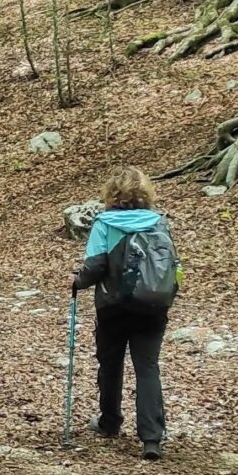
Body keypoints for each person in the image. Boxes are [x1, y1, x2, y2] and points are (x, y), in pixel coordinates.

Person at [72, 166, 176, 459]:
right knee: (147, 366)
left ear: (111, 193)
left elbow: (96, 267)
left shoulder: (105, 223)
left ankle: (110, 421)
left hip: (114, 306)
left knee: (110, 363)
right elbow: (172, 265)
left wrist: (77, 282)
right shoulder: (159, 222)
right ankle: (152, 438)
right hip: (153, 304)